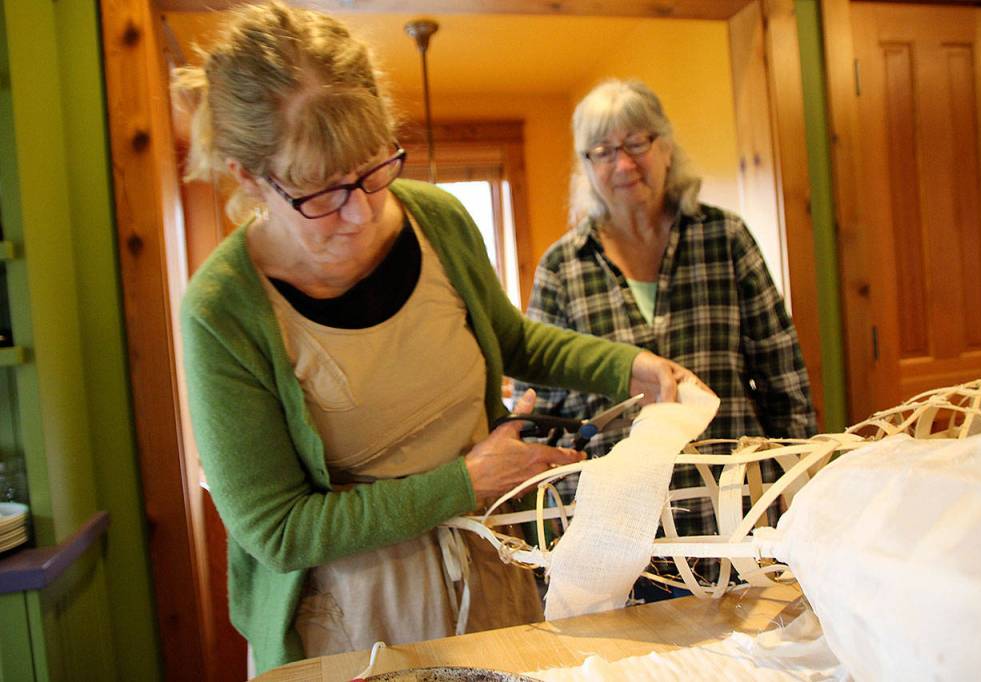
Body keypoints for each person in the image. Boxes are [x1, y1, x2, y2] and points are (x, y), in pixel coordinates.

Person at [174, 6, 699, 675]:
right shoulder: (223, 311)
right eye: (321, 193)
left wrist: (630, 366)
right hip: (349, 616)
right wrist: (464, 482)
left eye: (371, 170)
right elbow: (278, 529)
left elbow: (512, 340)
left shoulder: (437, 221)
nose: (361, 212)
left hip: (487, 567)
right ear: (249, 177)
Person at [512, 79, 816, 596]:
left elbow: (783, 377)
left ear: (667, 147)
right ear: (586, 166)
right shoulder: (563, 267)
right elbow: (542, 413)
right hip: (615, 535)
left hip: (735, 518)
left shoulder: (726, 239)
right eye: (604, 151)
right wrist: (552, 528)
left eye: (637, 143)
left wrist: (800, 492)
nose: (624, 165)